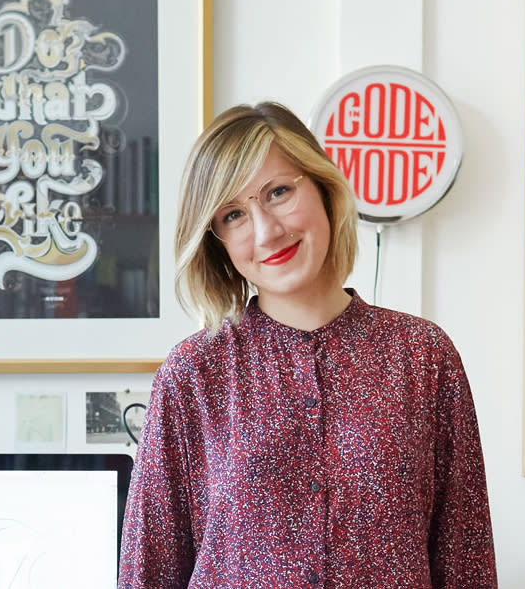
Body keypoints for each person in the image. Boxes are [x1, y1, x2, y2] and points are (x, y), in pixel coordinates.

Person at [118, 102, 497, 588]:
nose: (266, 232)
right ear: (217, 241)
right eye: (233, 214)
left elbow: (467, 560)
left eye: (278, 192)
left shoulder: (422, 356)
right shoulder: (194, 373)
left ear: (323, 188)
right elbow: (148, 571)